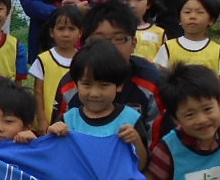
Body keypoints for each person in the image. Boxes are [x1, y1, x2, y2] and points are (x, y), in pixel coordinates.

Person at [51, 1, 165, 147]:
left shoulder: (151, 81)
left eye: (118, 39)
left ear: (134, 43)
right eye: (99, 39)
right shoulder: (71, 83)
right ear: (85, 43)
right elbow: (57, 137)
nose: (109, 46)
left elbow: (158, 144)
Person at [45, 40, 147, 169]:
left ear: (119, 85)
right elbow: (53, 161)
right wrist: (51, 135)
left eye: (104, 85)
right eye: (87, 84)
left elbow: (141, 166)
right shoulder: (68, 120)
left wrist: (136, 141)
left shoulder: (130, 120)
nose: (94, 93)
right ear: (76, 84)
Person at [160, 0, 220, 106]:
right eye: (187, 12)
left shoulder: (218, 51)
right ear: (179, 18)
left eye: (200, 12)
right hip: (177, 107)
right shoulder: (168, 48)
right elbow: (161, 78)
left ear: (211, 20)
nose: (192, 16)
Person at [30, 4, 84, 133]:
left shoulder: (84, 59)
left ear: (80, 32)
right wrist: (42, 119)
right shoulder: (44, 59)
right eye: (61, 28)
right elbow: (38, 92)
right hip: (48, 123)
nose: (66, 34)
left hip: (77, 123)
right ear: (51, 32)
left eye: (71, 29)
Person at [114, 0, 165, 64]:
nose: (132, 5)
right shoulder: (112, 30)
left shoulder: (160, 33)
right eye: (126, 0)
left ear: (148, 3)